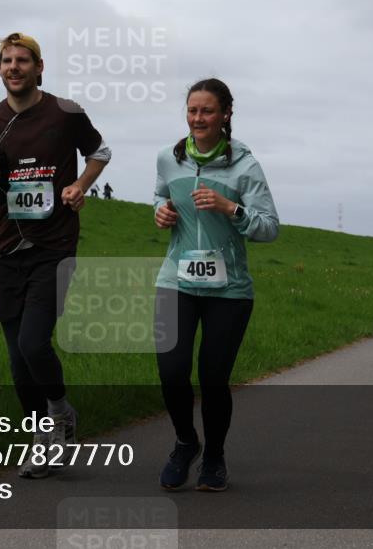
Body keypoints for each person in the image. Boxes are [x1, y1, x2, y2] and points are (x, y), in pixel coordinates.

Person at [0, 33, 111, 478]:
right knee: (16, 359)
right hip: (6, 250)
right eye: (7, 60)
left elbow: (100, 152)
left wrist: (80, 186)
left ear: (40, 67)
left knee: (32, 342)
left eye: (23, 60)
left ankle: (60, 413)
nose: (14, 67)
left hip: (55, 246)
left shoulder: (65, 112)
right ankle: (42, 439)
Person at [152, 78, 279, 492]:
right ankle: (186, 442)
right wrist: (162, 212)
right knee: (171, 372)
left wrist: (232, 208)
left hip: (229, 290)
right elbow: (159, 196)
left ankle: (215, 456)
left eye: (207, 111)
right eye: (192, 110)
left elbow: (269, 228)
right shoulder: (168, 159)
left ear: (225, 115)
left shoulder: (246, 166)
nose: (198, 118)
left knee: (212, 378)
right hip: (176, 281)